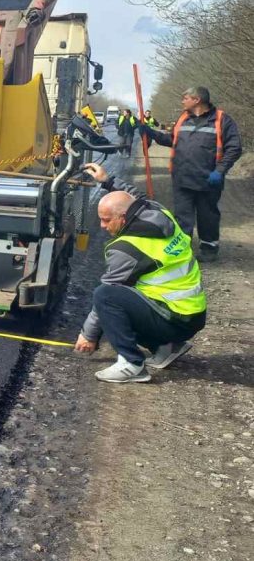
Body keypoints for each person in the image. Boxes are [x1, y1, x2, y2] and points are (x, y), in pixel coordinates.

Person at [73, 162, 206, 383]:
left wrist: (88, 335)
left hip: (175, 318)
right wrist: (107, 180)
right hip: (193, 313)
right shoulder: (157, 212)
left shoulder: (128, 248)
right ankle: (167, 347)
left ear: (123, 219)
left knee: (106, 296)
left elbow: (108, 294)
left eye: (106, 220)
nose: (102, 226)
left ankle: (131, 364)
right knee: (130, 294)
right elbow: (135, 197)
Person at [141, 86, 242, 262]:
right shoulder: (183, 118)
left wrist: (220, 171)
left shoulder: (222, 120)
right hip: (182, 178)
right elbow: (171, 139)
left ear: (197, 100)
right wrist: (151, 133)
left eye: (185, 98)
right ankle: (181, 250)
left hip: (209, 180)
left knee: (207, 216)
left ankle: (209, 250)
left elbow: (234, 148)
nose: (182, 101)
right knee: (182, 217)